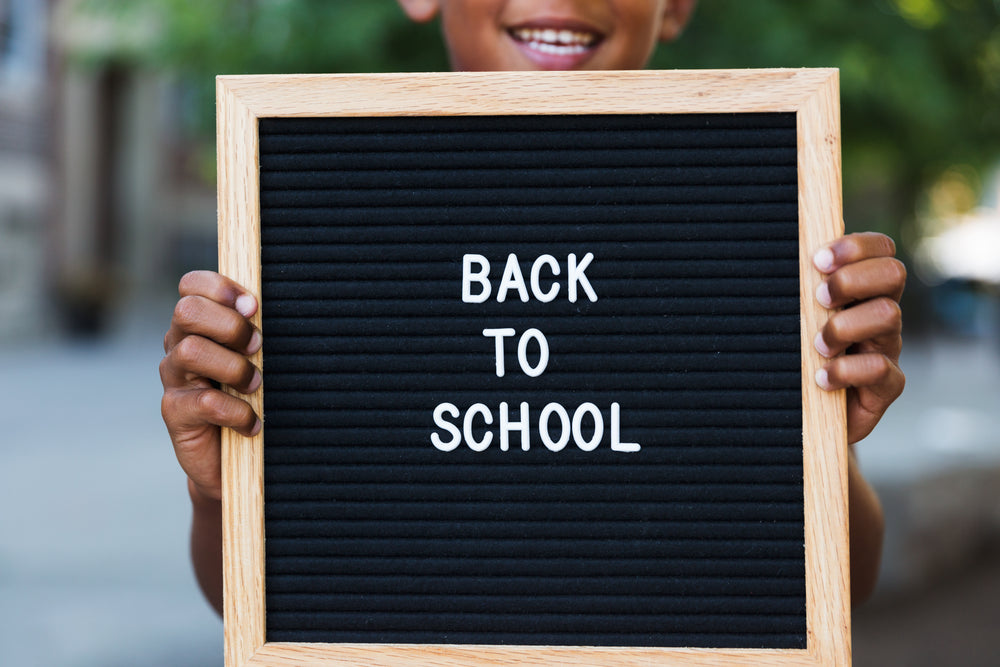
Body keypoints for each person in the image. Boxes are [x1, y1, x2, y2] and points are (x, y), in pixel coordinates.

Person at [160, 0, 905, 616]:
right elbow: (264, 605)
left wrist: (816, 445)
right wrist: (221, 484)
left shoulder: (737, 220)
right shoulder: (336, 214)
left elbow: (843, 583)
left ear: (676, 4)